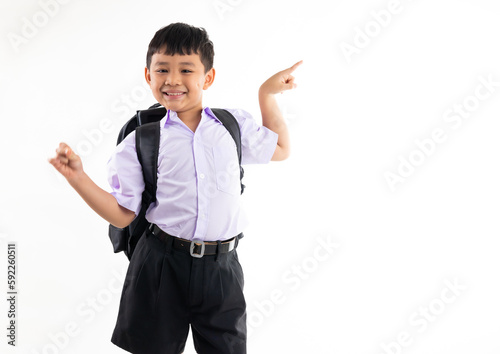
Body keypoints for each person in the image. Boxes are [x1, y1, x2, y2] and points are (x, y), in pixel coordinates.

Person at [49, 22, 301, 354]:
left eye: (186, 69)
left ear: (207, 78)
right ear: (148, 75)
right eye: (162, 69)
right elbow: (124, 215)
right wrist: (78, 178)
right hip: (161, 266)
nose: (172, 79)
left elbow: (280, 149)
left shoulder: (231, 126)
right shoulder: (141, 140)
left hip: (222, 269)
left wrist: (265, 95)